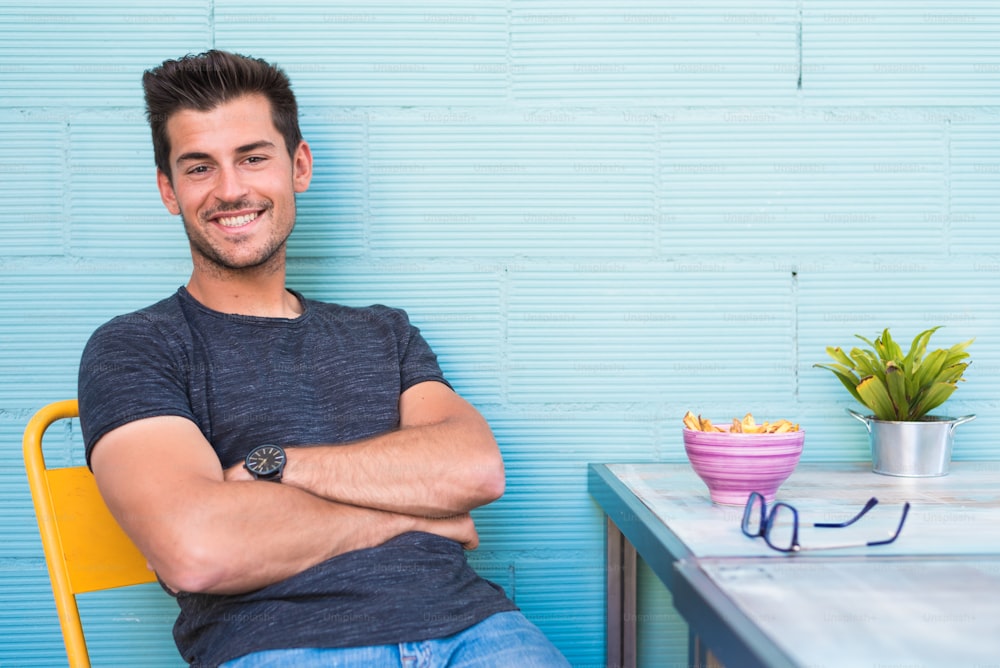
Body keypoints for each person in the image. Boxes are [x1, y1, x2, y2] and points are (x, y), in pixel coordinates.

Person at [78, 50, 569, 668]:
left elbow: (474, 471)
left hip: (478, 630)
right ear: (168, 191)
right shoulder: (136, 346)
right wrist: (418, 518)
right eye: (199, 167)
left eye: (254, 158)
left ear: (298, 166)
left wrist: (271, 467)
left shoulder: (383, 332)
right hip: (282, 646)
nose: (231, 189)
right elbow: (197, 549)